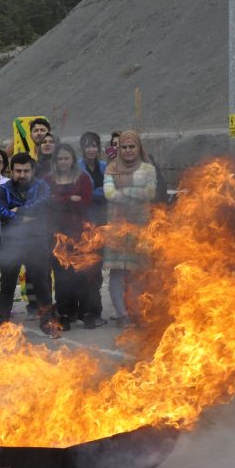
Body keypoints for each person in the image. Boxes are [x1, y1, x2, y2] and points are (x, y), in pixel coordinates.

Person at [0, 152, 57, 337]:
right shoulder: (4, 189)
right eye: (18, 171)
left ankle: (48, 322)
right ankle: (3, 324)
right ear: (11, 171)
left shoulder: (42, 186)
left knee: (42, 285)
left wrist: (18, 211)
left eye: (26, 171)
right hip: (11, 243)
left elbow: (43, 204)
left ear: (33, 171)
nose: (22, 174)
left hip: (37, 241)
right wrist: (25, 217)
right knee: (7, 286)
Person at [103, 131, 156, 327]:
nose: (127, 150)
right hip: (117, 228)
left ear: (138, 147)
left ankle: (136, 311)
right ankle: (122, 314)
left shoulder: (148, 169)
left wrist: (123, 192)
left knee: (137, 273)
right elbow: (109, 193)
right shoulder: (111, 169)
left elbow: (149, 192)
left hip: (140, 227)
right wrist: (135, 194)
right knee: (117, 273)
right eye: (124, 147)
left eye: (131, 146)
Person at [46, 144, 95, 330]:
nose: (63, 162)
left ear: (73, 159)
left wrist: (59, 199)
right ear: (55, 161)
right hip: (57, 235)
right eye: (60, 159)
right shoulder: (48, 179)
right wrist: (70, 199)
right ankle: (64, 314)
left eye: (66, 158)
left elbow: (86, 203)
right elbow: (47, 203)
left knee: (82, 274)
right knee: (61, 277)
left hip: (79, 234)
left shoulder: (82, 178)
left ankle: (86, 313)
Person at [78, 132, 108, 327]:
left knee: (96, 271)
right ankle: (85, 311)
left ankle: (96, 312)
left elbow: (108, 191)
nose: (91, 149)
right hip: (83, 225)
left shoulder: (105, 167)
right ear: (83, 148)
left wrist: (94, 193)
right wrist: (98, 193)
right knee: (84, 270)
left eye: (94, 145)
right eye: (88, 146)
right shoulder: (78, 168)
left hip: (102, 224)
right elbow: (84, 195)